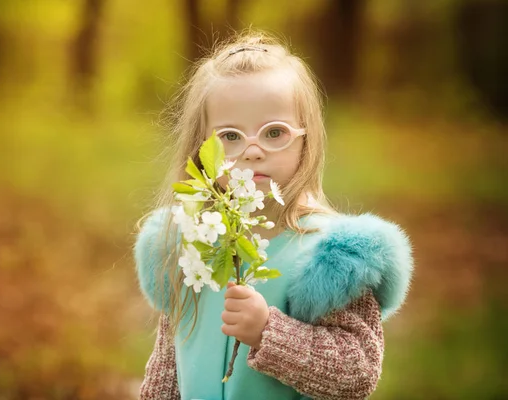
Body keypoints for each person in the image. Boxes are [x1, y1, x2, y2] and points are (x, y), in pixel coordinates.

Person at [134, 32, 413, 400]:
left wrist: (269, 332)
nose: (252, 152)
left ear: (305, 141)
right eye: (230, 137)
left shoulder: (330, 257)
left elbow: (358, 371)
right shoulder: (191, 242)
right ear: (200, 147)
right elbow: (167, 369)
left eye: (274, 133)